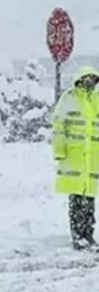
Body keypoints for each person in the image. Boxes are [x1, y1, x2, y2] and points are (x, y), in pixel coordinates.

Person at [52, 66, 99, 250]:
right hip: (74, 158)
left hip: (92, 160)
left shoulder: (96, 100)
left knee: (89, 200)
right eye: (87, 78)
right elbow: (59, 126)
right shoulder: (69, 99)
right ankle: (78, 236)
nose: (90, 82)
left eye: (93, 79)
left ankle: (88, 235)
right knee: (76, 199)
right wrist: (59, 151)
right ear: (80, 79)